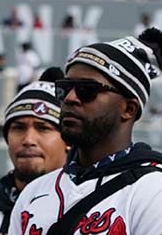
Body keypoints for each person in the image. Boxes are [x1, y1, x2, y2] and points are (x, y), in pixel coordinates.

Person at [10, 31, 162, 235]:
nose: (71, 98)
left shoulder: (153, 191)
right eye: (65, 88)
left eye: (87, 90)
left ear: (129, 109)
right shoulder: (34, 192)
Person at [0, 68, 68, 234]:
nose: (28, 140)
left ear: (68, 140)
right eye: (19, 128)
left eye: (43, 128)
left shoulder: (92, 217)